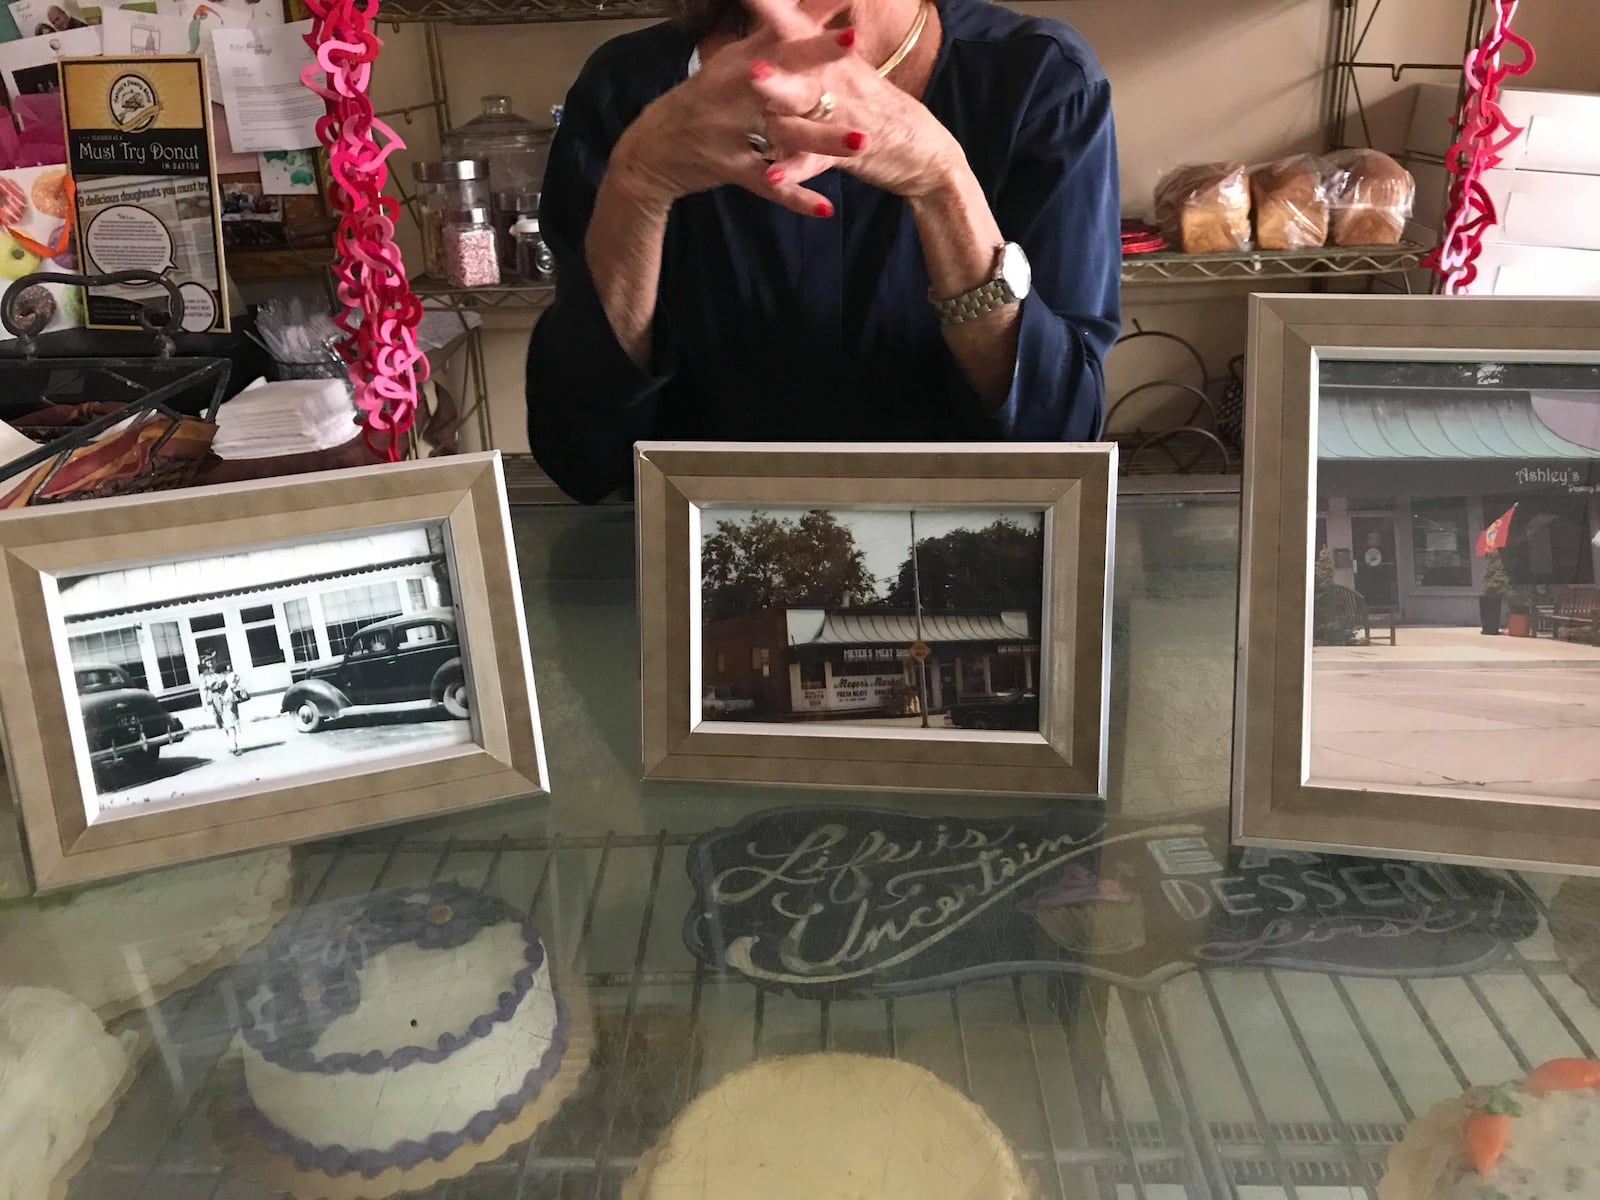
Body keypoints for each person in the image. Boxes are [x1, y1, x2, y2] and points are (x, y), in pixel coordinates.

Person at [526, 0, 1120, 503]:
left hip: (960, 563)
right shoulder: (626, 87)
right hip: (695, 578)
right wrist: (639, 182)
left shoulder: (1040, 77)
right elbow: (582, 456)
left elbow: (1058, 443)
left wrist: (943, 181)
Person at [200, 654, 247, 756]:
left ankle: (233, 744)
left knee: (231, 719)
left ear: (215, 660)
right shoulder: (205, 675)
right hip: (215, 698)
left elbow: (236, 678)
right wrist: (204, 703)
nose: (210, 662)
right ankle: (231, 742)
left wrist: (231, 688)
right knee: (224, 722)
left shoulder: (224, 669)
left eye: (212, 660)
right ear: (205, 663)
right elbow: (203, 689)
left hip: (227, 696)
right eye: (207, 661)